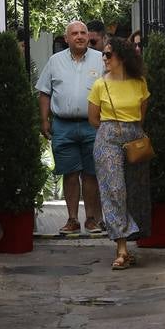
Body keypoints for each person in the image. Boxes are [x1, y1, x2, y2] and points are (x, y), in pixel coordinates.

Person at [88, 36, 151, 270]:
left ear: (121, 58)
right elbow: (93, 119)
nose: (103, 58)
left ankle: (128, 243)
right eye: (103, 54)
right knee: (114, 189)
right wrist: (113, 129)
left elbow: (141, 115)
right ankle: (121, 249)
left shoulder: (139, 83)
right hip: (107, 138)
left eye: (108, 54)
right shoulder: (99, 85)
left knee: (134, 191)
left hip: (134, 137)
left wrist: (128, 130)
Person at [36, 20, 104, 235]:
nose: (80, 36)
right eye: (74, 33)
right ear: (67, 38)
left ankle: (92, 219)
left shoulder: (100, 60)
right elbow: (44, 92)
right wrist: (44, 119)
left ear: (88, 36)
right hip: (63, 125)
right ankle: (73, 219)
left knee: (92, 174)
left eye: (83, 32)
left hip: (93, 125)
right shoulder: (55, 61)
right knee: (70, 173)